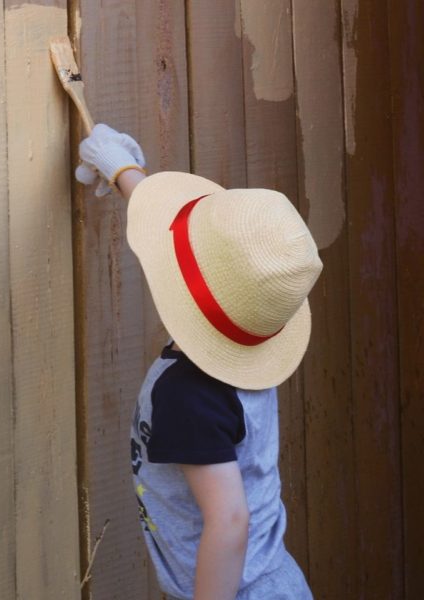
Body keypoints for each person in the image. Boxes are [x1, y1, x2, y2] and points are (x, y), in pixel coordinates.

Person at [76, 124, 320, 600]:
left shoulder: (187, 395)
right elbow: (178, 242)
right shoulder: (241, 348)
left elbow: (230, 520)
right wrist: (122, 168)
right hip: (272, 581)